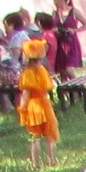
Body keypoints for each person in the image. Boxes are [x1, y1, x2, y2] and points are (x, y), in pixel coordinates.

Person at [15, 35, 58, 165]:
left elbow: (26, 94)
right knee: (50, 135)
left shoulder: (27, 73)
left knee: (34, 137)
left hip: (33, 106)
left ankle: (36, 163)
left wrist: (22, 109)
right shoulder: (43, 70)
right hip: (45, 103)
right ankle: (52, 160)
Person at [50, 0, 86, 79]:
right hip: (60, 44)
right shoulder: (55, 13)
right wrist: (54, 30)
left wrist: (74, 30)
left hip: (71, 43)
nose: (54, 2)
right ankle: (65, 88)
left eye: (55, 0)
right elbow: (51, 27)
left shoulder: (74, 12)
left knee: (69, 69)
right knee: (62, 72)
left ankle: (77, 86)